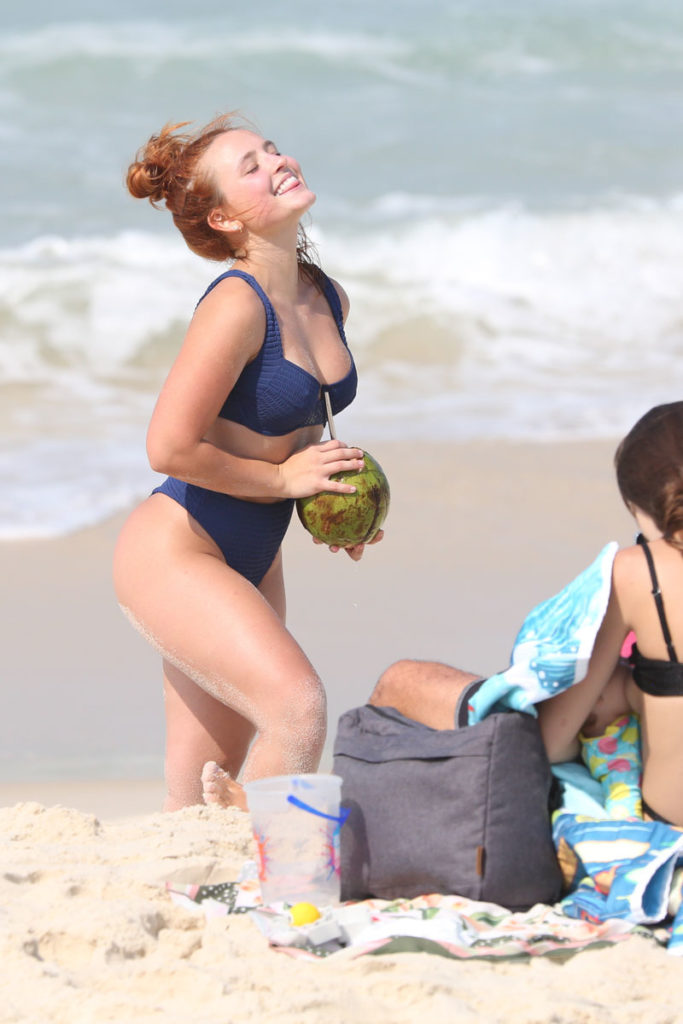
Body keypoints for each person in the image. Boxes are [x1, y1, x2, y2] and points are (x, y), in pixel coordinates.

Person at [112, 114, 382, 811]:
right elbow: (168, 447)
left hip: (256, 554)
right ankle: (268, 856)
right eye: (251, 166)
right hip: (177, 550)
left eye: (272, 150)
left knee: (199, 788)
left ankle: (209, 869)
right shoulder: (236, 304)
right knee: (298, 709)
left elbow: (293, 432)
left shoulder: (326, 295)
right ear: (224, 218)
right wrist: (282, 480)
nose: (277, 161)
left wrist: (334, 508)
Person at [369, 403, 683, 827]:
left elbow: (548, 743)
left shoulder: (639, 571)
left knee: (401, 681)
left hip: (667, 823)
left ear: (641, 507)